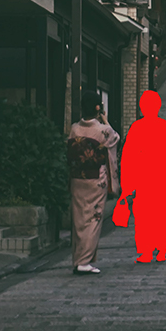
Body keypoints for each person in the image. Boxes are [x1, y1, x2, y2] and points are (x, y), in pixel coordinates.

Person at [118, 89, 166, 263]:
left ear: (142, 107)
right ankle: (161, 249)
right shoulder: (165, 126)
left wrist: (127, 185)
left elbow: (128, 157)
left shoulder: (137, 127)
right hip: (161, 179)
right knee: (162, 215)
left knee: (144, 217)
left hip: (144, 180)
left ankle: (146, 251)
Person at [66, 91, 120, 274]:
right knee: (93, 219)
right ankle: (84, 261)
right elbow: (115, 138)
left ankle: (78, 258)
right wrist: (104, 119)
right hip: (96, 179)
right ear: (98, 108)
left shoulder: (74, 128)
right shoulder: (102, 130)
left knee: (79, 218)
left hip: (77, 178)